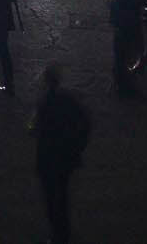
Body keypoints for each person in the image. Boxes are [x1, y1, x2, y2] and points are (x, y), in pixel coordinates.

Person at [34, 66, 92, 244]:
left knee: (53, 199)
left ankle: (58, 234)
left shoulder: (45, 103)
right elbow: (85, 122)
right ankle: (62, 232)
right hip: (66, 157)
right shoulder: (68, 100)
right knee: (62, 196)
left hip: (49, 158)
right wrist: (78, 146)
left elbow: (39, 130)